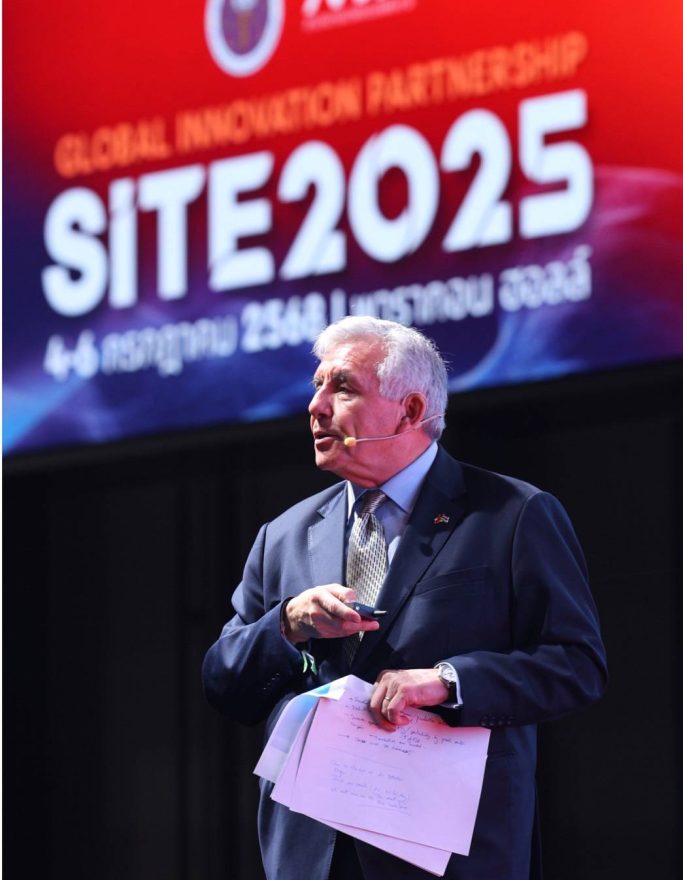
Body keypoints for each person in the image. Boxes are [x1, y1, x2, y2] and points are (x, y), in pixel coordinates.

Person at [202, 316, 607, 880]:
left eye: (343, 387)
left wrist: (448, 681)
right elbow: (224, 681)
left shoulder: (512, 515)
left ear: (411, 410)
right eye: (317, 386)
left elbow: (576, 665)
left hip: (446, 855)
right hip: (312, 856)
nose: (316, 406)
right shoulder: (284, 535)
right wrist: (288, 624)